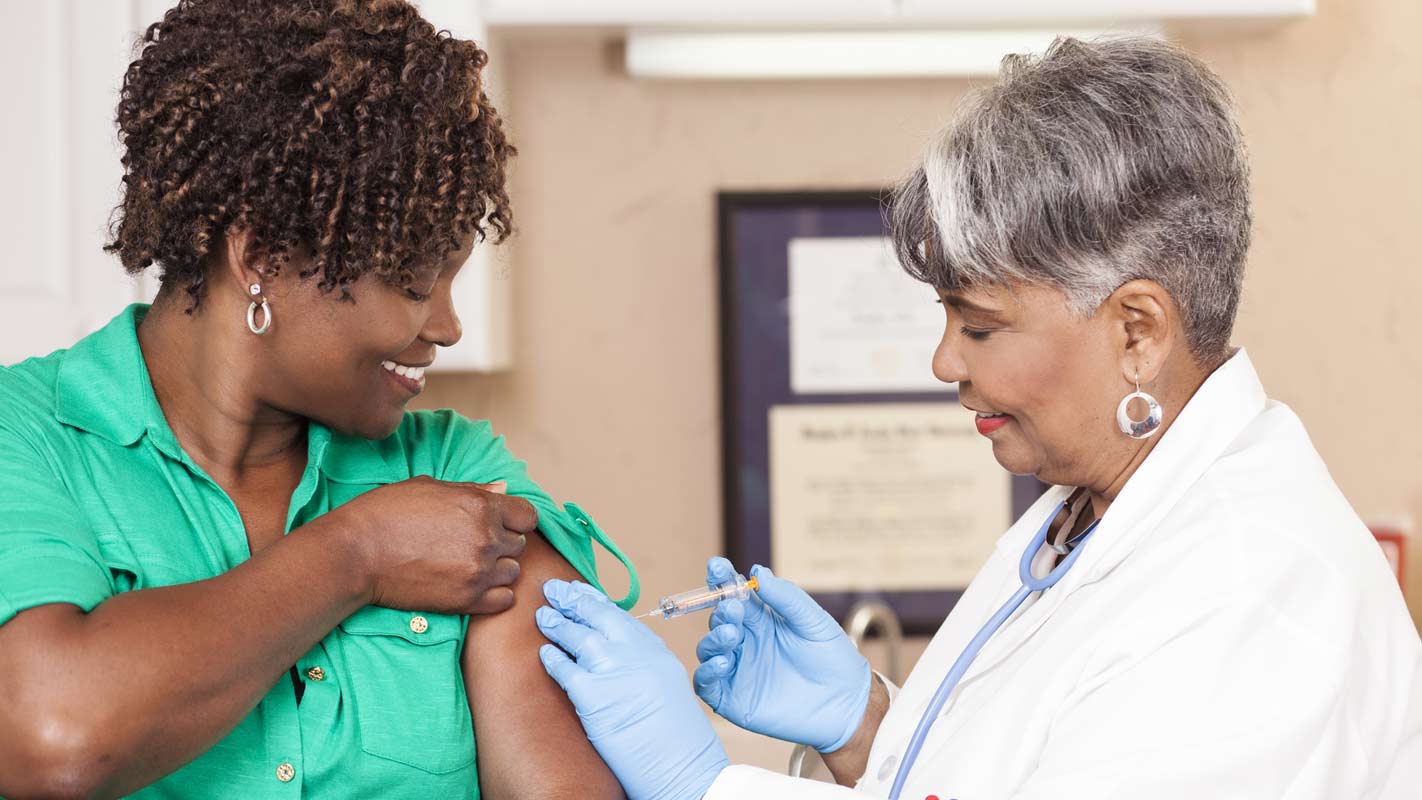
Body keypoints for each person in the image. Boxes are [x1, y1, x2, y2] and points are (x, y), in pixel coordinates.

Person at [533, 36, 1422, 799]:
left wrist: (705, 785)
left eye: (982, 325)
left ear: (1138, 331)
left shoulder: (1249, 593)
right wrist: (870, 728)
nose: (944, 363)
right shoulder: (1094, 514)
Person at [0, 1, 636, 797]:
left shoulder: (450, 465)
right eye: (413, 281)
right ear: (260, 257)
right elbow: (51, 734)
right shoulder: (24, 438)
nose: (446, 325)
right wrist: (356, 554)